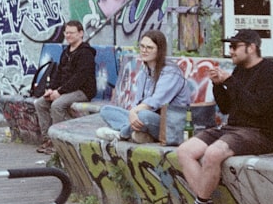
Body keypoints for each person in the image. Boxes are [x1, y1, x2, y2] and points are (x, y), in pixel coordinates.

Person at [170, 29, 273, 204]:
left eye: (234, 46)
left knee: (213, 154)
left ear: (251, 47)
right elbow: (226, 108)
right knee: (185, 151)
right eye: (229, 46)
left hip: (260, 133)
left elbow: (258, 108)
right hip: (233, 129)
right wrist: (217, 85)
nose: (230, 51)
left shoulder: (270, 70)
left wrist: (230, 81)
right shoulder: (239, 71)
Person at [96, 30, 191, 144]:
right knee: (106, 110)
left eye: (149, 48)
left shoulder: (171, 72)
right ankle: (142, 135)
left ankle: (122, 134)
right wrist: (133, 113)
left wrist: (134, 112)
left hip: (170, 125)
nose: (144, 50)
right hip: (148, 120)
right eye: (142, 46)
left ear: (159, 50)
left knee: (143, 115)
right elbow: (138, 102)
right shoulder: (144, 72)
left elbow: (156, 102)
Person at [34, 20, 97, 154]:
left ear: (81, 33)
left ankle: (59, 141)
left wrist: (60, 92)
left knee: (57, 105)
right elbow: (58, 74)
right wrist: (51, 89)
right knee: (40, 103)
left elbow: (79, 78)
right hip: (65, 90)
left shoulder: (86, 53)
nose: (68, 35)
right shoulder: (66, 52)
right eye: (66, 32)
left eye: (71, 33)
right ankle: (48, 139)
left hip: (82, 91)